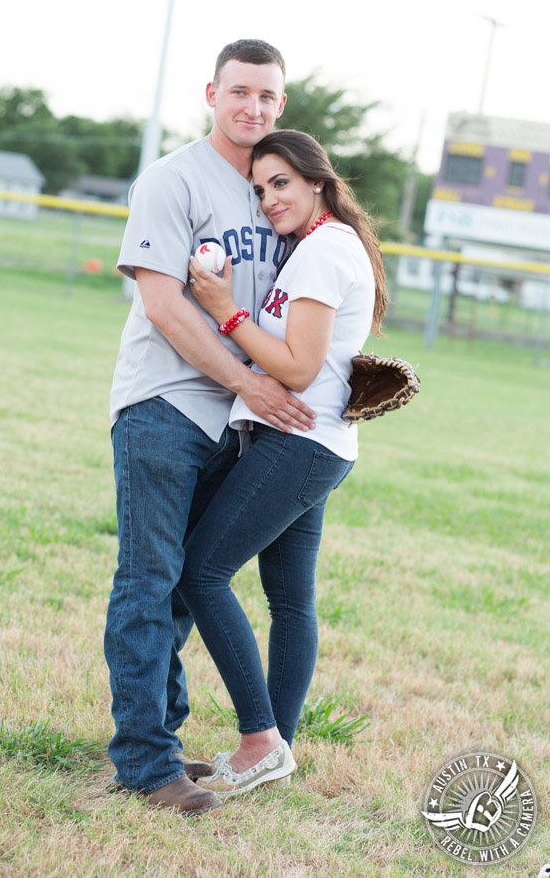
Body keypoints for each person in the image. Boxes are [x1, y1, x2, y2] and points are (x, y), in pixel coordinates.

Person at [104, 42, 317, 817]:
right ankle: (144, 764)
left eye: (266, 97)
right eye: (238, 93)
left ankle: (157, 739)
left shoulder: (274, 189)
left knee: (186, 591)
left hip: (237, 421)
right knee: (149, 582)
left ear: (280, 106)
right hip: (166, 405)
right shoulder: (173, 177)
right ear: (211, 94)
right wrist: (244, 380)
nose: (251, 108)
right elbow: (163, 305)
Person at [177, 129, 387, 798]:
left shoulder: (325, 251)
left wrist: (223, 309)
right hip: (316, 443)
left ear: (317, 182)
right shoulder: (322, 248)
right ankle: (278, 747)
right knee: (290, 599)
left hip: (300, 442)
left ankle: (261, 740)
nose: (269, 199)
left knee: (203, 573)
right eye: (261, 188)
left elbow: (295, 367)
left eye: (282, 184)